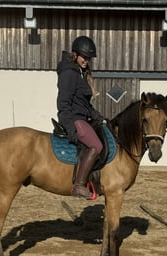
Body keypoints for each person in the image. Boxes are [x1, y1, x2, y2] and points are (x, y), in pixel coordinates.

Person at [56, 35, 104, 199]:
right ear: (75, 55)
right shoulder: (69, 74)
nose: (86, 61)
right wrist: (70, 128)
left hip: (82, 117)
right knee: (96, 146)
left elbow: (83, 104)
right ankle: (79, 185)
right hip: (75, 119)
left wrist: (99, 117)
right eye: (84, 57)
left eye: (89, 58)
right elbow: (63, 104)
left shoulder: (79, 73)